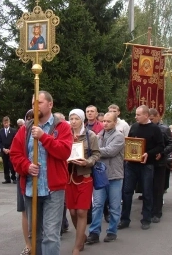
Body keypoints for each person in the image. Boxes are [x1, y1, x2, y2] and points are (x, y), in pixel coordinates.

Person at [10, 91, 72, 255]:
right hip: (32, 188)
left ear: (50, 104)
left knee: (51, 235)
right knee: (35, 234)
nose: (35, 106)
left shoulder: (62, 126)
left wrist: (44, 137)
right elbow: (15, 155)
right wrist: (27, 166)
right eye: (33, 104)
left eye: (39, 102)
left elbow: (64, 152)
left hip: (53, 189)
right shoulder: (25, 129)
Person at [118, 105, 164, 230]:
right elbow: (130, 142)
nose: (136, 117)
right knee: (127, 192)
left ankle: (146, 219)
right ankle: (125, 219)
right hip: (131, 164)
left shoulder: (155, 129)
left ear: (146, 115)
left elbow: (161, 146)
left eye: (138, 115)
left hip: (146, 164)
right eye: (136, 114)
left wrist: (148, 153)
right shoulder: (134, 126)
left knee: (147, 191)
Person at [87, 112, 124, 244]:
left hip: (115, 175)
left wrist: (94, 151)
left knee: (114, 206)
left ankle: (112, 231)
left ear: (115, 122)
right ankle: (94, 232)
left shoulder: (119, 136)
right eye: (104, 121)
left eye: (108, 121)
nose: (105, 123)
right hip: (100, 175)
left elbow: (110, 151)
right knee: (97, 205)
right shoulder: (99, 135)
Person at [66, 109, 100, 255]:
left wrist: (87, 162)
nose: (73, 121)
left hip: (85, 176)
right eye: (71, 118)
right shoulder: (65, 135)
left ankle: (77, 246)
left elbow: (97, 154)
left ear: (81, 120)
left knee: (81, 211)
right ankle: (82, 237)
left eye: (76, 119)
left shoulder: (90, 135)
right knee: (72, 211)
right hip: (68, 177)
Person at [148, 108, 172, 223]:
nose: (150, 121)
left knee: (158, 188)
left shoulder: (164, 129)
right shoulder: (145, 128)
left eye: (152, 119)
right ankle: (148, 209)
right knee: (148, 187)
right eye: (148, 119)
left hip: (160, 162)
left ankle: (157, 212)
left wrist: (162, 152)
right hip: (147, 162)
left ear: (157, 117)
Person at [18, 110, 34, 255]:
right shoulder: (22, 132)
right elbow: (16, 154)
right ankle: (28, 244)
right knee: (25, 212)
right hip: (24, 177)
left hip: (41, 179)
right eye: (28, 118)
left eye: (33, 118)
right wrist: (26, 166)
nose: (30, 120)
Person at [0, 116, 17, 184]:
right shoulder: (0, 131)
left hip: (11, 151)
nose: (6, 124)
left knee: (11, 165)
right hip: (4, 151)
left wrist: (10, 149)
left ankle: (14, 177)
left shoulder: (13, 131)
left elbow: (14, 141)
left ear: (9, 123)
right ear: (3, 123)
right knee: (5, 165)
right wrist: (3, 148)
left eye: (7, 122)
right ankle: (7, 178)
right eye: (4, 123)